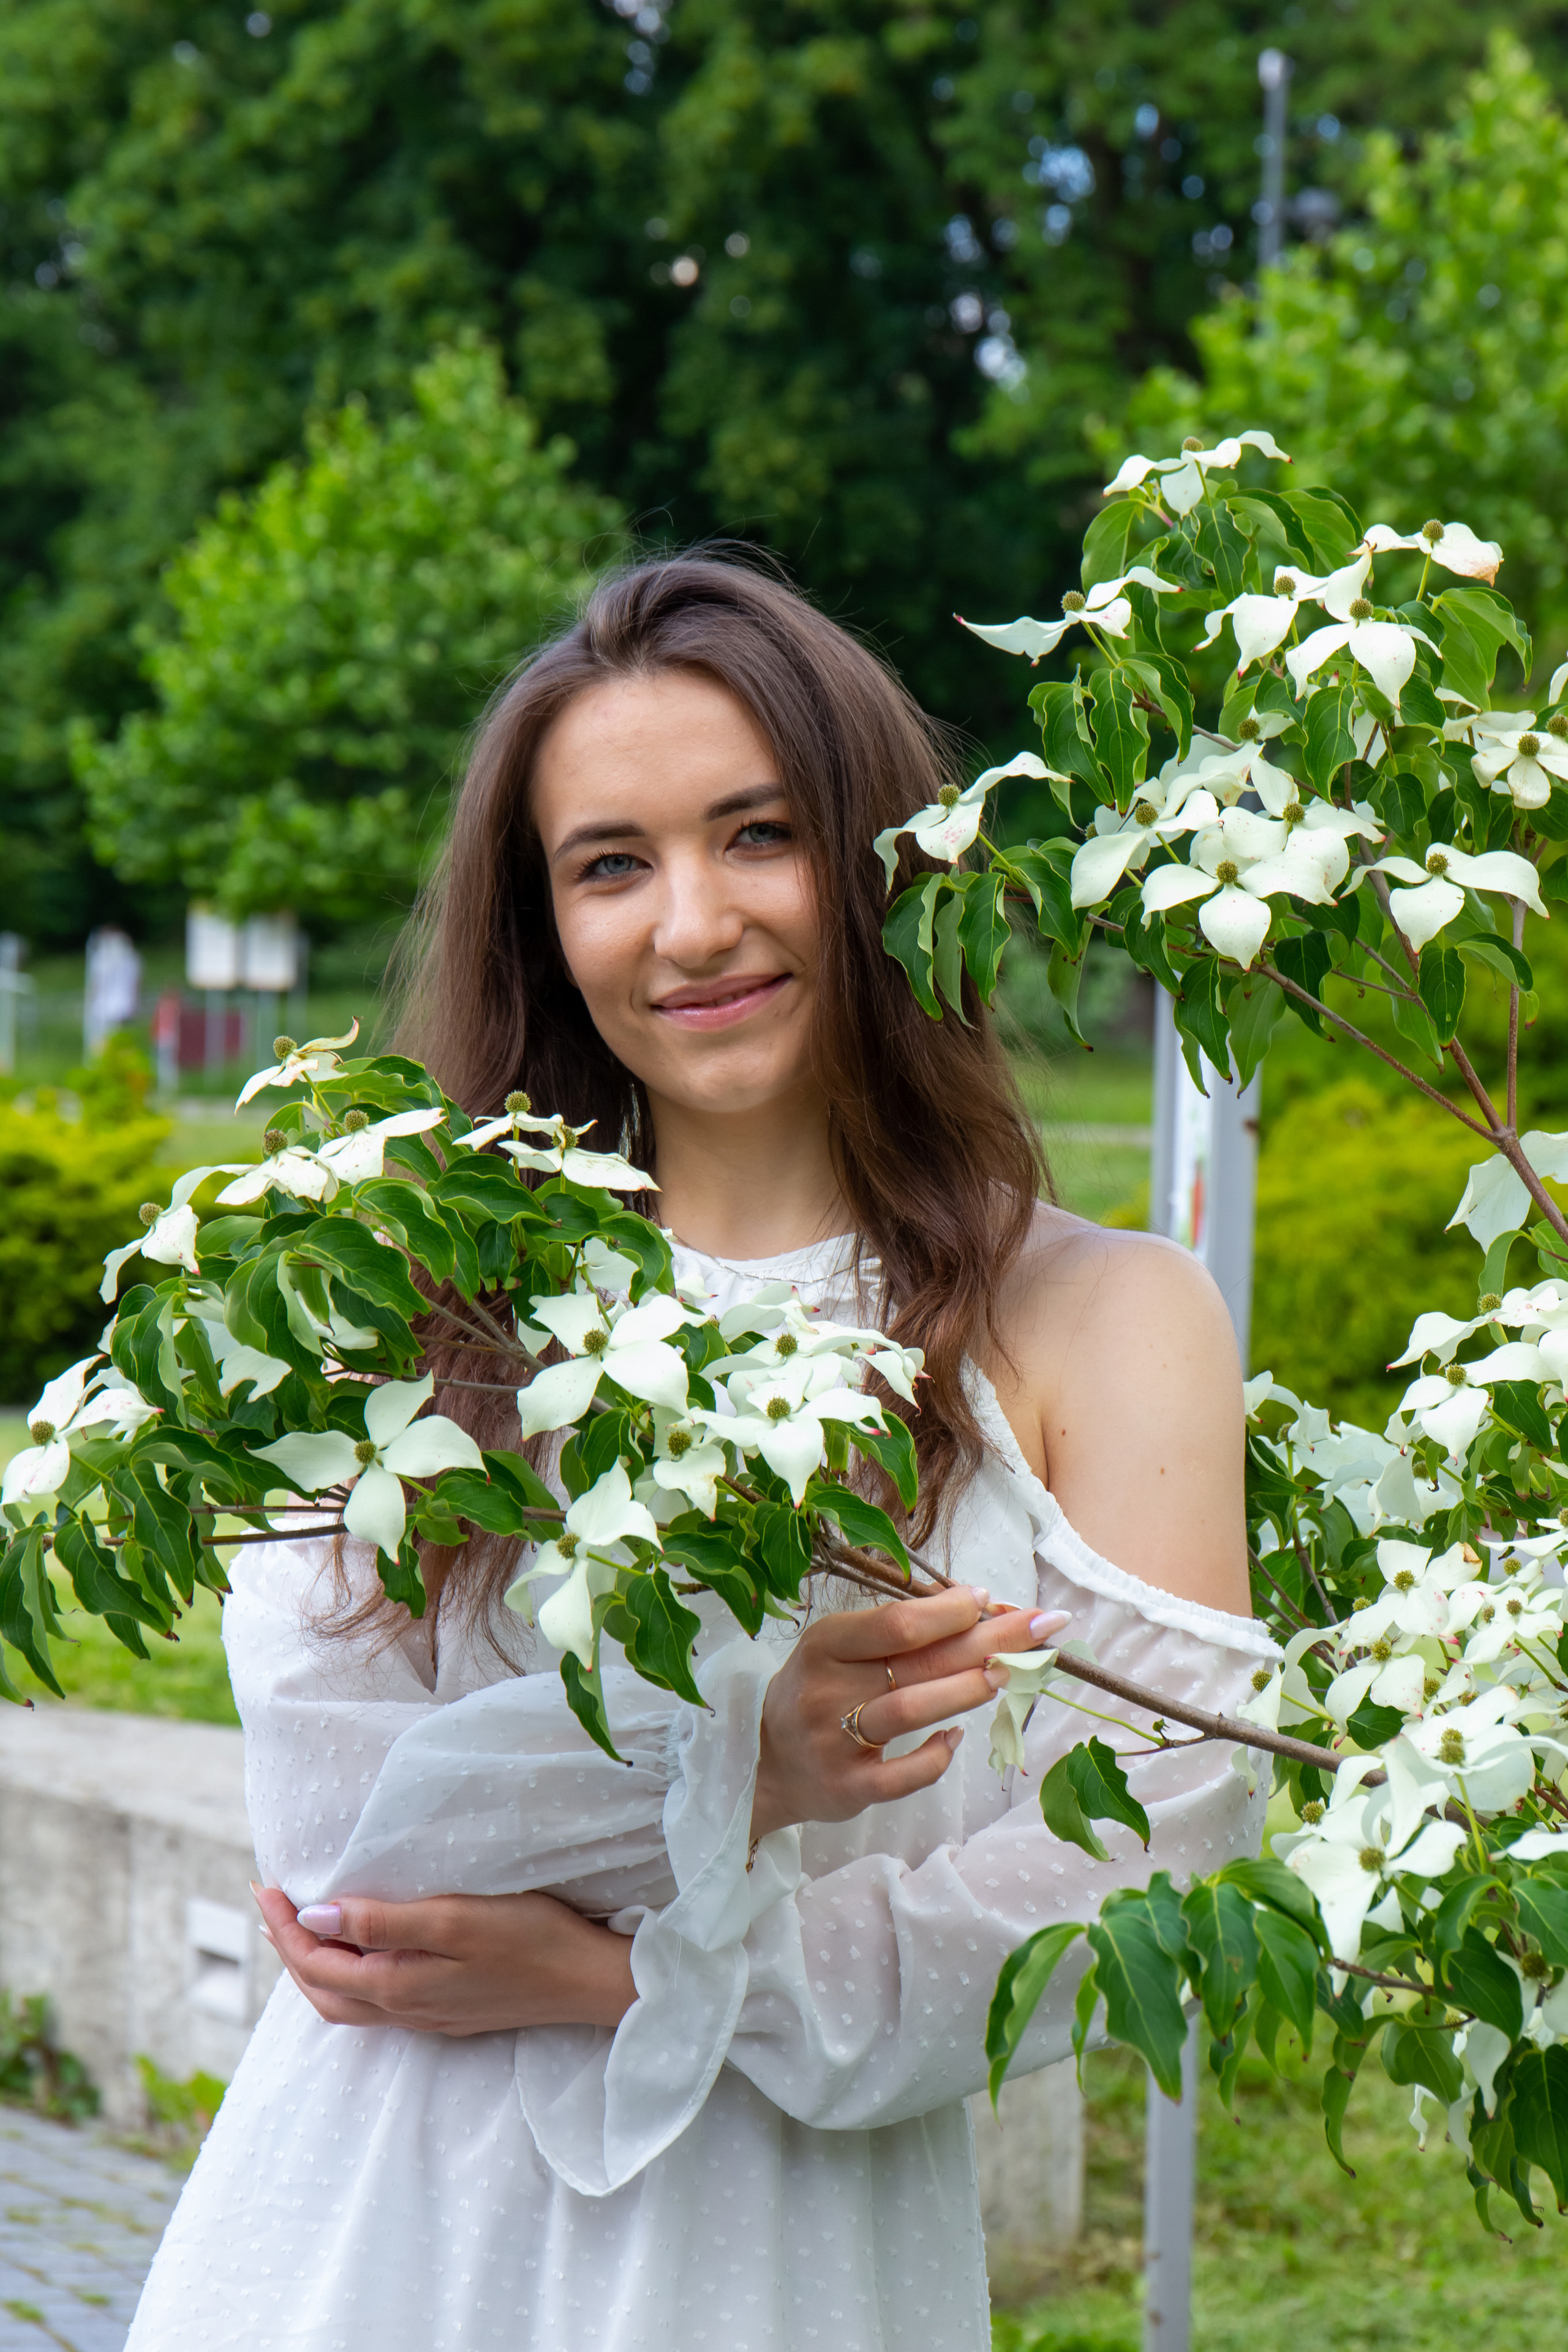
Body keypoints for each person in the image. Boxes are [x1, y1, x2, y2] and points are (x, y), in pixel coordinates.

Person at [126, 556, 1275, 2352]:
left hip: (782, 2256)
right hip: (371, 2241)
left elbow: (1141, 1870)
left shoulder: (1104, 1319)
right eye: (611, 865)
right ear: (543, 925)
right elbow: (353, 1868)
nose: (691, 925)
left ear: (886, 851)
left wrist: (619, 1972)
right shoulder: (411, 1301)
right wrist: (737, 1764)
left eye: (759, 835)